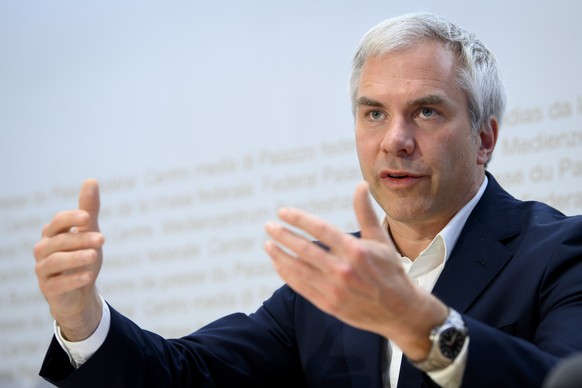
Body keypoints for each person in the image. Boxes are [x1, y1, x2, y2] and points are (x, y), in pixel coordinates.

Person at [34, 12, 582, 388]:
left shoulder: (560, 254)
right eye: (374, 113)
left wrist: (423, 326)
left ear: (484, 138)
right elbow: (188, 375)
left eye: (427, 111)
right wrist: (83, 321)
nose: (395, 139)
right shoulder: (330, 280)